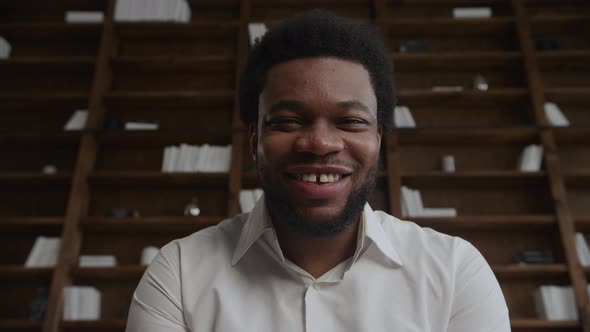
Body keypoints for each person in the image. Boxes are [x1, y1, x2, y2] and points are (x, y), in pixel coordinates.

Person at [126, 10, 510, 332]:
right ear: (253, 140)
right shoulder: (178, 274)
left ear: (378, 138)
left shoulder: (455, 272)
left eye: (350, 121)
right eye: (289, 121)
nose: (320, 143)